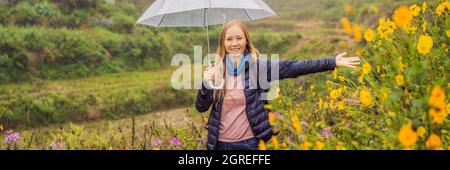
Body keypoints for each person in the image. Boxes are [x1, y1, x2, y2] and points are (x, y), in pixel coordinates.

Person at [195, 20, 361, 150]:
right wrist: (206, 83)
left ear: (246, 40)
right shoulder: (216, 71)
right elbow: (201, 108)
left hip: (251, 143)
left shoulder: (259, 67)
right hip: (220, 144)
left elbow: (294, 67)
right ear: (223, 43)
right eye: (229, 39)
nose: (234, 43)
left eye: (239, 38)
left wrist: (332, 62)